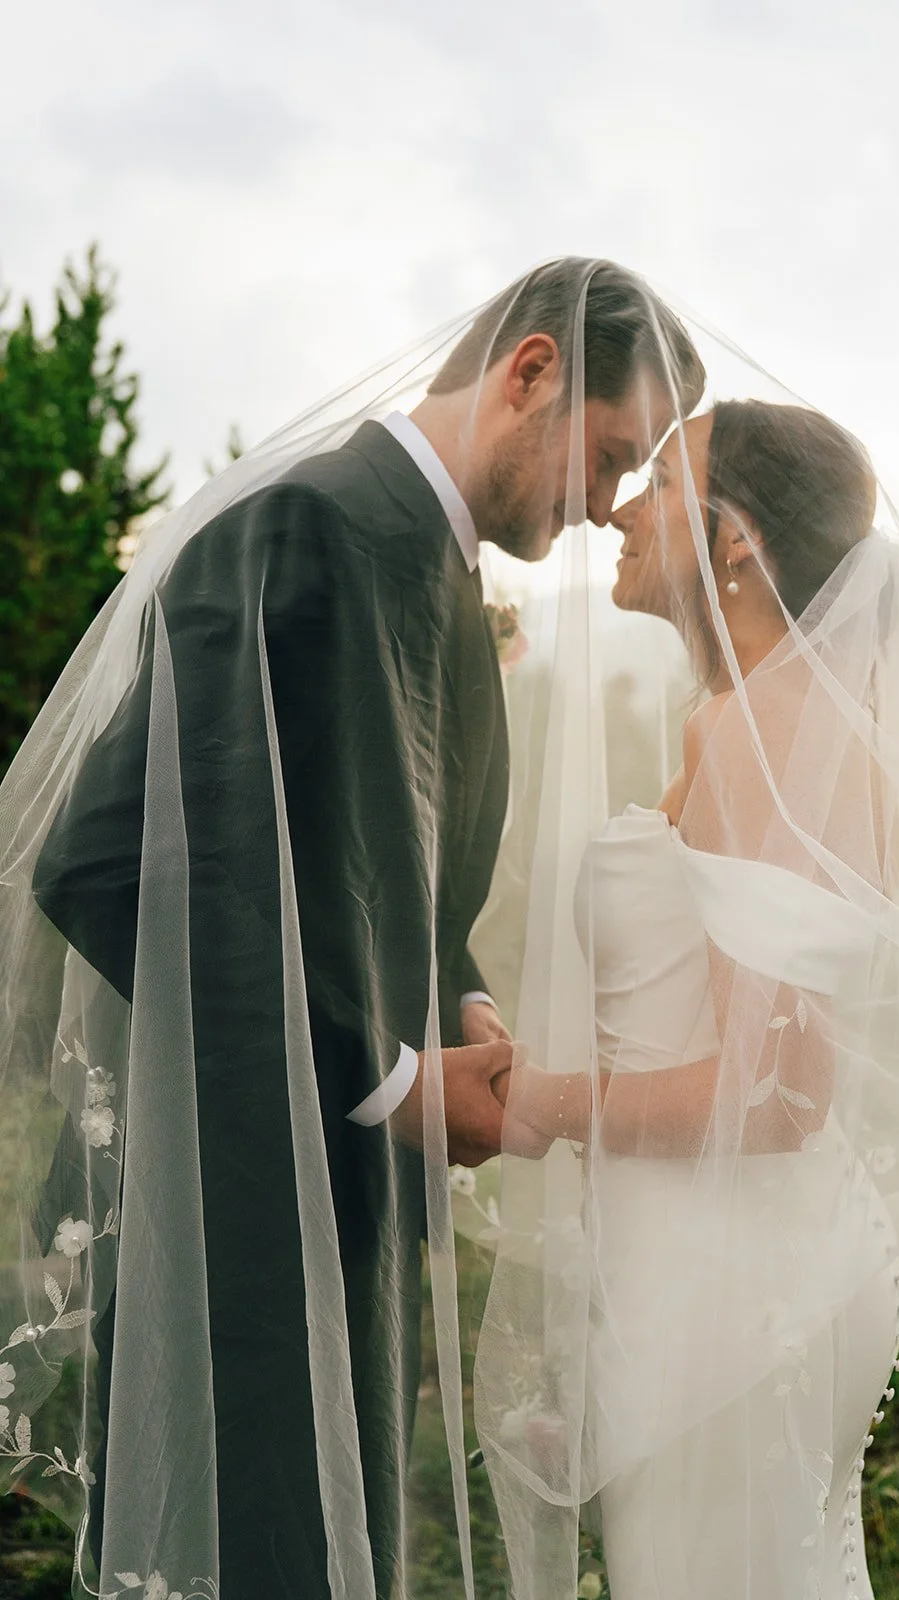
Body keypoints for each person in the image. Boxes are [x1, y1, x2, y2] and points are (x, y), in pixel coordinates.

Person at [0, 259, 703, 1600]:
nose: (606, 506)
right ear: (532, 370)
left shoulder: (432, 570)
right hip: (247, 1205)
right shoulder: (303, 533)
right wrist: (386, 1082)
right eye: (607, 459)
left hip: (352, 1200)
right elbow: (104, 865)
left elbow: (376, 890)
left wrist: (462, 1014)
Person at [476, 398, 899, 1599]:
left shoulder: (771, 728)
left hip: (738, 1283)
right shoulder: (759, 724)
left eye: (659, 483)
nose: (624, 508)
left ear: (735, 538)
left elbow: (779, 1087)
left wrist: (537, 1098)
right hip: (715, 1255)